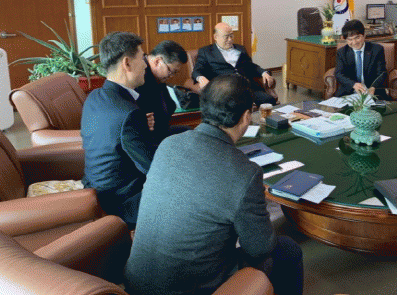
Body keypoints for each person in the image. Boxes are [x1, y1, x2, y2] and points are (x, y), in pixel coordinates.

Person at [125, 74, 303, 295]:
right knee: (287, 250)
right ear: (246, 117)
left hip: (136, 283)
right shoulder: (245, 173)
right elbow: (260, 248)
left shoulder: (168, 145)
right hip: (188, 289)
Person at [81, 32, 156, 228]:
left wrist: (141, 130)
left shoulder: (94, 97)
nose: (146, 65)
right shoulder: (128, 113)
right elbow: (152, 167)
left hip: (96, 189)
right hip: (123, 202)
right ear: (127, 63)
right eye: (142, 58)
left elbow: (113, 138)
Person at [192, 22, 276, 106]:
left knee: (269, 100)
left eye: (231, 35)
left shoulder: (240, 48)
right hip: (226, 91)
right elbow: (197, 71)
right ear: (216, 37)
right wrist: (201, 79)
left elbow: (251, 66)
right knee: (237, 105)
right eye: (226, 37)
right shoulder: (206, 52)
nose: (230, 39)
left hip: (248, 88)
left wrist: (264, 73)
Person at [136, 40, 189, 145]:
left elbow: (169, 106)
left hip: (161, 130)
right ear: (157, 61)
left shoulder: (157, 76)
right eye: (171, 71)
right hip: (148, 137)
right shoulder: (140, 76)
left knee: (189, 133)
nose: (172, 76)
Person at [334, 19, 388, 99]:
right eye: (350, 39)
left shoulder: (377, 50)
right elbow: (339, 74)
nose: (354, 42)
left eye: (357, 38)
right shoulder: (342, 52)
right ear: (345, 39)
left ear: (364, 35)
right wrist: (353, 84)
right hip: (349, 92)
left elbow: (382, 73)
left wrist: (373, 87)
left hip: (372, 92)